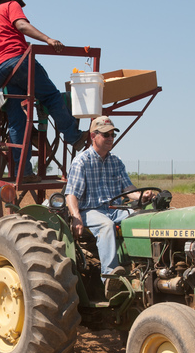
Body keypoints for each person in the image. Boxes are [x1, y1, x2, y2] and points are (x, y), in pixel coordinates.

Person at [0, 0, 86, 176]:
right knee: (51, 97)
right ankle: (74, 136)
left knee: (17, 119)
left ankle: (24, 171)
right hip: (17, 61)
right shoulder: (10, 5)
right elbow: (21, 25)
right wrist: (48, 39)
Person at [64, 116, 153, 275]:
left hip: (115, 209)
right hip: (90, 211)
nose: (110, 138)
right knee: (107, 226)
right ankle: (111, 277)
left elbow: (128, 189)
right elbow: (71, 194)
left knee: (141, 219)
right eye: (106, 135)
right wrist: (76, 216)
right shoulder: (82, 162)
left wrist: (141, 196)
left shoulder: (116, 162)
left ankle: (145, 269)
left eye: (112, 135)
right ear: (93, 136)